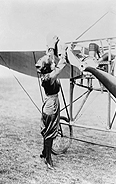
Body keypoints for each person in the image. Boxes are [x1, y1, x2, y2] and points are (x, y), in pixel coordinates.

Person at [35, 34, 68, 170]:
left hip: (47, 103)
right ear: (50, 68)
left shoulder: (46, 74)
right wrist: (63, 50)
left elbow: (50, 60)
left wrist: (51, 46)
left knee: (46, 130)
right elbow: (62, 63)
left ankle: (44, 153)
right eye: (52, 64)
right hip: (52, 105)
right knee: (50, 133)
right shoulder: (51, 76)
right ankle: (48, 159)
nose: (54, 63)